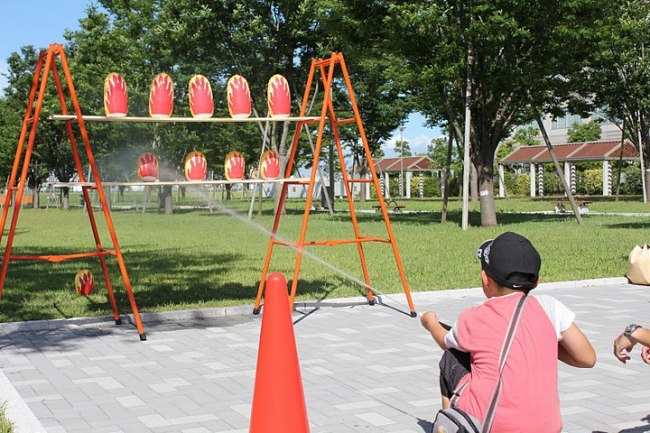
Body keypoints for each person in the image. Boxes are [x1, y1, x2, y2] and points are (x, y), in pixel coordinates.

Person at [420, 231, 596, 432]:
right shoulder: (551, 307)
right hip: (549, 427)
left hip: (489, 425)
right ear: (537, 281)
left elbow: (444, 339)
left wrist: (429, 321)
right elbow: (586, 358)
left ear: (486, 279)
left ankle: (454, 425)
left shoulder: (474, 317)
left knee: (451, 357)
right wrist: (540, 345)